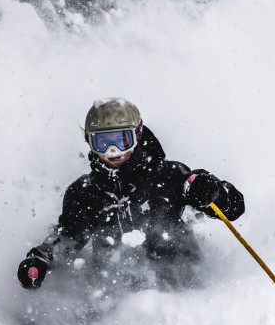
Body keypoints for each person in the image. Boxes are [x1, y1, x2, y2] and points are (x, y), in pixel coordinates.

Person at [16, 98, 245, 293]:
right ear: (89, 142)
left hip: (181, 286)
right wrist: (41, 259)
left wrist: (213, 192)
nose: (112, 152)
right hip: (115, 295)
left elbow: (234, 208)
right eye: (102, 142)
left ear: (136, 136)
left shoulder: (168, 176)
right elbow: (68, 237)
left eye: (121, 140)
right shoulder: (84, 193)